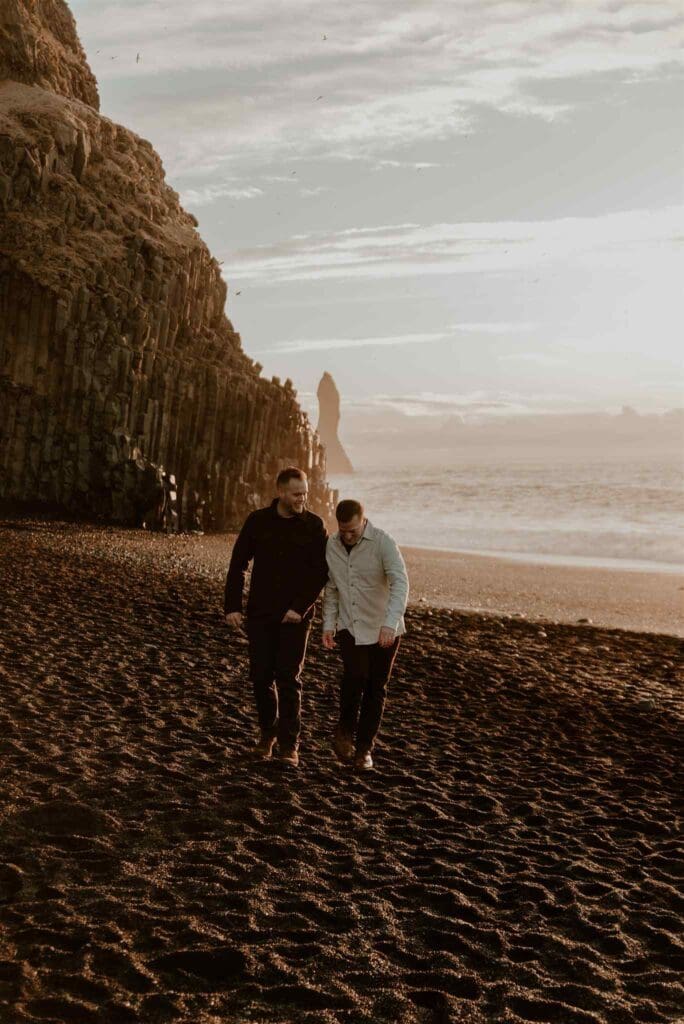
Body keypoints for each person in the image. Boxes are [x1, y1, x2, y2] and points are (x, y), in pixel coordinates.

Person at [224, 468, 328, 767]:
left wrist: (300, 607)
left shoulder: (314, 525)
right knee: (260, 676)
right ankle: (267, 732)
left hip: (296, 616)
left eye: (305, 493)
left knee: (288, 677)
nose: (303, 498)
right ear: (281, 492)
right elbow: (238, 564)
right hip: (261, 611)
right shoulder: (258, 521)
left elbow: (320, 572)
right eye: (297, 493)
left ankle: (288, 745)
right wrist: (232, 606)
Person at [322, 499, 409, 771]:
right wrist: (328, 624)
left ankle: (364, 751)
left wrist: (390, 623)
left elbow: (401, 583)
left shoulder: (383, 543)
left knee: (375, 688)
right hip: (350, 625)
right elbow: (333, 588)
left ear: (364, 521)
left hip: (384, 626)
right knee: (355, 676)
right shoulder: (332, 545)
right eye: (343, 531)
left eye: (353, 532)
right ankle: (345, 731)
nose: (347, 537)